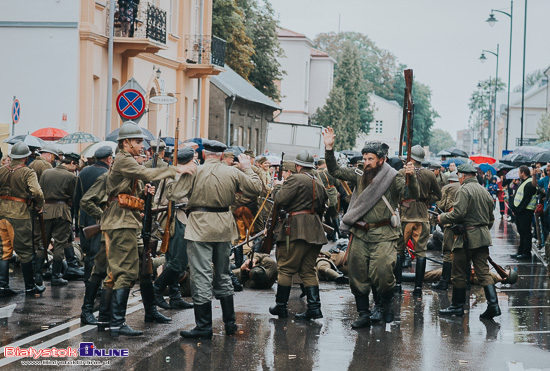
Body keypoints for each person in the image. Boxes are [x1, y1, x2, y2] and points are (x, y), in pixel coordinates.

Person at [101, 122, 192, 337]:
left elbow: (135, 184)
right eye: (138, 141)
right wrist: (177, 168)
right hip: (121, 221)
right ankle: (115, 323)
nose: (142, 146)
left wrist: (143, 192)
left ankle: (115, 317)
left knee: (144, 266)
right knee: (124, 272)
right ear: (125, 143)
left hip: (129, 219)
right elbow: (146, 173)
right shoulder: (124, 159)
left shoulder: (126, 160)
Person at [322, 127, 419, 327]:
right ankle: (363, 314)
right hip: (359, 232)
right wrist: (329, 149)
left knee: (382, 272)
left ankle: (385, 306)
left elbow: (411, 194)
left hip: (384, 233)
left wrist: (412, 177)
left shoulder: (394, 177)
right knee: (357, 274)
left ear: (381, 160)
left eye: (370, 159)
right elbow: (335, 171)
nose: (366, 163)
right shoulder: (359, 173)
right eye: (365, 158)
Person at [167, 140, 262, 339]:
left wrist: (179, 172)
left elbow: (173, 194)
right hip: (224, 226)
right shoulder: (233, 172)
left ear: (203, 155)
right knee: (224, 274)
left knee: (201, 275)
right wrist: (248, 168)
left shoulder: (196, 171)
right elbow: (256, 188)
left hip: (200, 226)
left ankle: (203, 326)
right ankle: (229, 324)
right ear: (221, 155)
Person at [268, 149, 328, 321]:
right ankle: (314, 308)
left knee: (286, 268)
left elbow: (280, 200)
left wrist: (278, 187)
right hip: (315, 229)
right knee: (308, 270)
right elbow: (324, 206)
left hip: (296, 229)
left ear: (297, 165)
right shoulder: (319, 181)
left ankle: (281, 307)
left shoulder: (295, 178)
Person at [438, 163, 500, 320]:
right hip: (483, 237)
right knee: (484, 272)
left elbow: (458, 214)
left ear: (463, 175)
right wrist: (481, 230)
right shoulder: (484, 191)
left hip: (466, 238)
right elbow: (491, 219)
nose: (458, 178)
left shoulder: (464, 190)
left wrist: (442, 217)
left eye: (459, 175)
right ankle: (494, 306)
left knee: (458, 272)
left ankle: (457, 307)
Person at [0, 141, 46, 297]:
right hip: (19, 215)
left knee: (4, 251)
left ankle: (3, 286)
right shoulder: (28, 172)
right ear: (26, 157)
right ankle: (30, 287)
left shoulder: (1, 170)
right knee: (25, 252)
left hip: (1, 214)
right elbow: (37, 192)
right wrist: (39, 205)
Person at [153, 147, 195, 310]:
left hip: (171, 217)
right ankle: (157, 289)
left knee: (172, 259)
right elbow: (172, 198)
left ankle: (175, 296)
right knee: (179, 260)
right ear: (189, 161)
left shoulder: (170, 171)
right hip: (175, 218)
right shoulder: (180, 175)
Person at [74, 146, 113, 325]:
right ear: (108, 159)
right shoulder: (108, 175)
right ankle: (93, 285)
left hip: (84, 217)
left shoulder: (83, 172)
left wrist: (75, 217)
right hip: (99, 217)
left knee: (88, 253)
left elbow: (78, 197)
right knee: (98, 255)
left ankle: (89, 280)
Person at [397, 145, 441, 297]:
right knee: (421, 252)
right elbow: (438, 195)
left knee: (399, 250)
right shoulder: (429, 174)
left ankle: (397, 285)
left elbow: (396, 193)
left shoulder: (402, 172)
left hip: (405, 216)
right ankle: (418, 288)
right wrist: (426, 200)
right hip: (422, 217)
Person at [39, 152, 81, 286]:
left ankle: (37, 275)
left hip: (45, 210)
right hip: (62, 211)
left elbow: (40, 190)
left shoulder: (46, 173)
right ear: (72, 163)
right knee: (59, 244)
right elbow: (73, 197)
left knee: (42, 244)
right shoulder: (71, 177)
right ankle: (56, 276)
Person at [432, 171, 460, 290]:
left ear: (450, 181)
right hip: (464, 225)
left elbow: (440, 205)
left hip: (450, 223)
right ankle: (466, 283)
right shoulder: (465, 187)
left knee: (448, 253)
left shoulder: (447, 188)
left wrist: (437, 219)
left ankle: (444, 281)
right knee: (463, 254)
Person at [511, 165, 537, 260]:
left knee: (525, 233)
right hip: (521, 212)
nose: (518, 174)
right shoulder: (525, 182)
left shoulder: (529, 183)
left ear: (523, 173)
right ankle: (521, 251)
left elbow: (526, 199)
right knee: (522, 232)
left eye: (519, 172)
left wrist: (518, 210)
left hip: (525, 211)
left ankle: (526, 253)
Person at [316, 159, 341, 241]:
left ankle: (332, 234)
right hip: (333, 196)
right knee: (334, 215)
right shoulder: (329, 172)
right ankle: (338, 233)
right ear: (324, 165)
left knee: (326, 216)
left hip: (322, 197)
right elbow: (337, 183)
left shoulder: (316, 173)